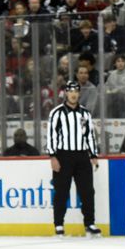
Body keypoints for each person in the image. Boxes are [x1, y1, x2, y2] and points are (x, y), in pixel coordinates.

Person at [46, 80, 101, 238]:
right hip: (64, 155)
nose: (74, 94)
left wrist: (93, 155)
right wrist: (53, 156)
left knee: (87, 192)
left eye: (76, 91)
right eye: (70, 91)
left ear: (79, 93)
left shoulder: (85, 113)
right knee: (61, 191)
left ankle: (89, 223)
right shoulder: (57, 113)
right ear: (66, 93)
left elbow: (90, 135)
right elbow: (51, 135)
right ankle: (59, 224)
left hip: (82, 156)